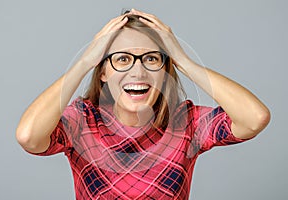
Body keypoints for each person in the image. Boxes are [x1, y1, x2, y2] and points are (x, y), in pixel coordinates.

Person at [16, 9, 270, 200]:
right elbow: (29, 137)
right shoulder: (82, 121)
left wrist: (184, 60)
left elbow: (254, 118)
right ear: (102, 71)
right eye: (123, 59)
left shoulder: (187, 123)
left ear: (164, 70)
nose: (138, 72)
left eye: (150, 58)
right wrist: (84, 63)